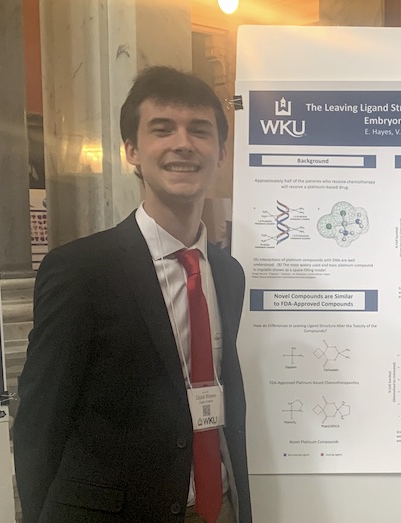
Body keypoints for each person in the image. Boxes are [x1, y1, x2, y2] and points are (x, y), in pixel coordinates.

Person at [13, 66, 251, 523]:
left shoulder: (228, 274)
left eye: (200, 130)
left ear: (221, 153)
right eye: (162, 129)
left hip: (217, 507)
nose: (183, 143)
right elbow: (41, 419)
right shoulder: (81, 270)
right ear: (132, 151)